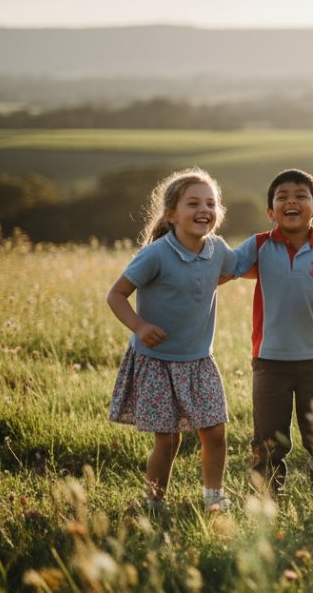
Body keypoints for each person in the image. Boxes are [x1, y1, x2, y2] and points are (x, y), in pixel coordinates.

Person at [106, 167, 239, 513]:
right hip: (157, 361)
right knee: (167, 441)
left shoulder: (218, 249)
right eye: (193, 203)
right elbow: (116, 295)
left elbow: (233, 269)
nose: (204, 210)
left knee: (215, 432)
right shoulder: (156, 254)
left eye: (210, 203)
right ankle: (155, 502)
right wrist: (139, 325)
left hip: (198, 361)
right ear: (171, 214)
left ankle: (215, 498)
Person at [233, 169, 313, 495]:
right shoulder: (259, 245)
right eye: (282, 197)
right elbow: (226, 268)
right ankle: (266, 493)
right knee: (268, 435)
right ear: (270, 212)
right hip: (269, 359)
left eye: (301, 196)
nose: (292, 201)